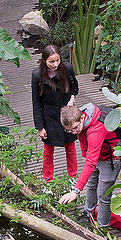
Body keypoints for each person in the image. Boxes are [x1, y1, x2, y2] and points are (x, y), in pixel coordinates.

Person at [58, 102, 121, 226]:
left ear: (82, 117)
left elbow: (91, 162)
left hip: (110, 158)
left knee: (104, 196)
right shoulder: (81, 122)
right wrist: (83, 154)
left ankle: (102, 228)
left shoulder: (96, 130)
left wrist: (75, 191)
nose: (74, 132)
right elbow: (82, 139)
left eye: (75, 128)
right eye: (70, 130)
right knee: (91, 186)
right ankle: (88, 214)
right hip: (96, 155)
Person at [31, 44, 79, 182]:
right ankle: (48, 181)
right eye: (51, 61)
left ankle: (72, 179)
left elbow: (75, 87)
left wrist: (72, 99)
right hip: (49, 115)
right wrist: (40, 127)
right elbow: (36, 103)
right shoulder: (37, 75)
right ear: (44, 60)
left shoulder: (67, 69)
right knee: (48, 151)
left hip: (66, 113)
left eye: (57, 60)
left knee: (70, 148)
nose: (55, 64)